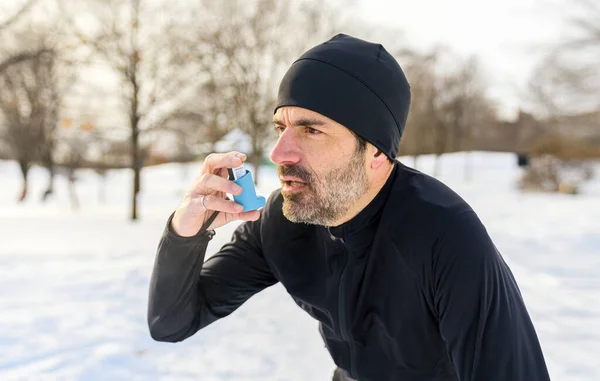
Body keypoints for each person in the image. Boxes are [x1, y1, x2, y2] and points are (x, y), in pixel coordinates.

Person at [147, 34, 551, 381]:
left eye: (311, 130)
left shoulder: (444, 235)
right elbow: (171, 323)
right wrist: (185, 232)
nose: (279, 153)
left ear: (376, 152)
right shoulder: (282, 221)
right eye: (281, 127)